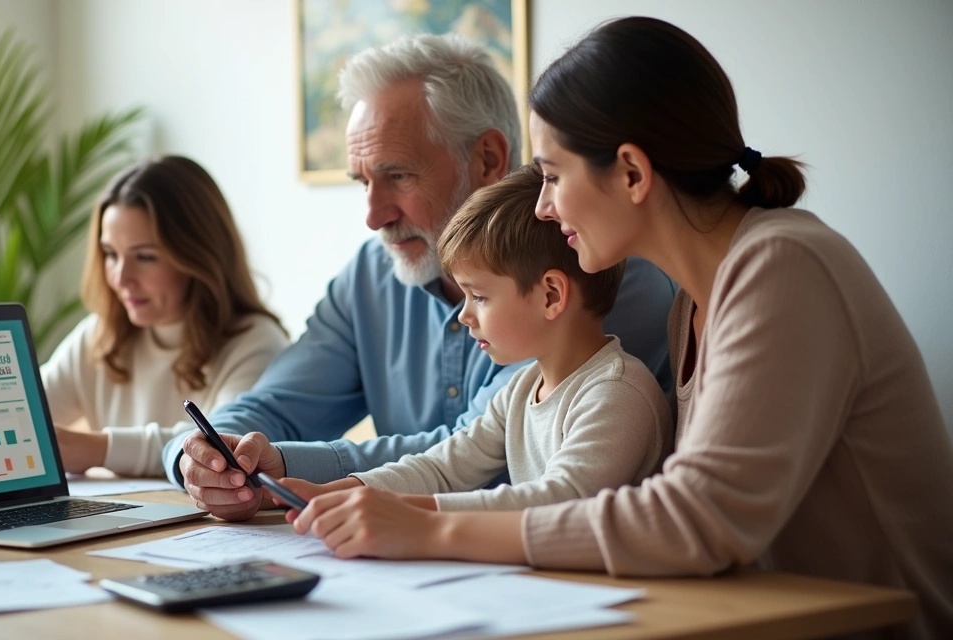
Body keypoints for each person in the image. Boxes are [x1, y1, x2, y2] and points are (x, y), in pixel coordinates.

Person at [295, 17, 953, 639]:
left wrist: (430, 528)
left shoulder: (782, 265)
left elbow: (695, 519)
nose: (545, 206)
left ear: (634, 173)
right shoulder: (690, 304)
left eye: (552, 175)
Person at [166, 34, 679, 522]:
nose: (373, 216)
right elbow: (441, 462)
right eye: (363, 181)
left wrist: (390, 510)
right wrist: (215, 460)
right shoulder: (377, 273)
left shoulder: (591, 268)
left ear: (487, 159)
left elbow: (539, 496)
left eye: (398, 175)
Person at [278, 166, 673, 556]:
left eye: (479, 297)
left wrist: (410, 515)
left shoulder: (616, 393)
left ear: (551, 295)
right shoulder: (521, 389)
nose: (464, 315)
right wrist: (339, 491)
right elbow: (443, 467)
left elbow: (560, 501)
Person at [41, 156, 288, 477]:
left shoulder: (255, 343)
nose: (121, 276)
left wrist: (98, 449)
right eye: (111, 254)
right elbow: (22, 416)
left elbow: (225, 449)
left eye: (145, 257)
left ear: (198, 255)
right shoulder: (98, 336)